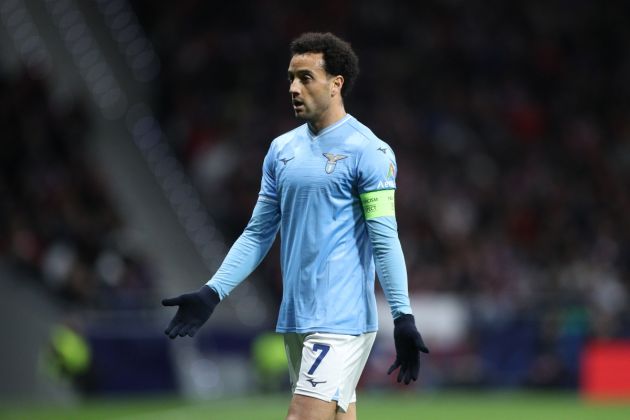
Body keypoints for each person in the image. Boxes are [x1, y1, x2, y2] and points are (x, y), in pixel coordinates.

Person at [162, 32, 429, 420]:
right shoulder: (281, 150)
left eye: (306, 78)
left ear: (336, 84)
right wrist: (213, 291)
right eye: (291, 77)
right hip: (296, 317)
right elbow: (258, 233)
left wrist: (403, 316)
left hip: (342, 319)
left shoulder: (369, 151)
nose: (293, 87)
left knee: (302, 416)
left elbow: (384, 239)